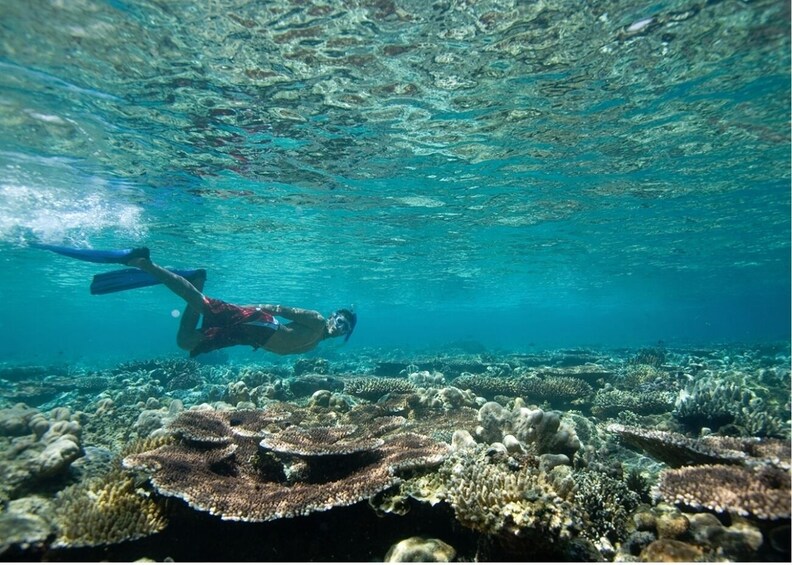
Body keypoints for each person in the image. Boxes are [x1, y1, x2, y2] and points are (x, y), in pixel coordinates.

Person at [124, 251, 356, 357]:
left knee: (185, 342)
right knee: (201, 303)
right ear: (332, 315)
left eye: (345, 328)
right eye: (340, 321)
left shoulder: (316, 342)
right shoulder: (316, 320)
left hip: (248, 338)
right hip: (257, 323)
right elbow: (278, 309)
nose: (340, 327)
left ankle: (198, 281)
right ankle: (145, 263)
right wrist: (243, 308)